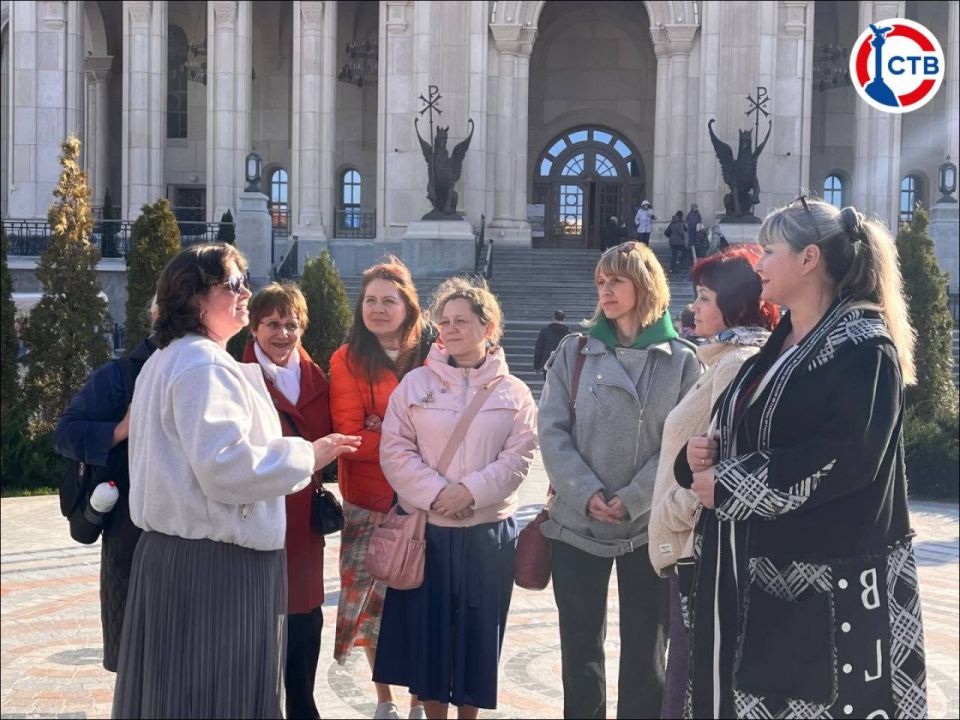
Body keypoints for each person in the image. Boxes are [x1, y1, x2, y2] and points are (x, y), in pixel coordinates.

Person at [676, 199, 926, 719]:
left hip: (825, 596)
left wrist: (731, 485)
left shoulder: (863, 347)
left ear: (809, 258)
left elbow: (846, 458)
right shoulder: (781, 343)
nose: (758, 265)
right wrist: (698, 456)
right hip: (755, 582)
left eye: (769, 252)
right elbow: (743, 432)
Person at [111, 244, 361, 719]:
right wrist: (310, 454)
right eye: (233, 284)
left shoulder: (171, 358)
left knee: (178, 697)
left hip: (179, 558)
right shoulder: (201, 365)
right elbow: (227, 468)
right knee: (213, 697)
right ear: (196, 297)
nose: (246, 291)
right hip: (214, 566)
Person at [538, 241, 701, 719]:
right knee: (581, 655)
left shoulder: (683, 361)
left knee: (647, 659)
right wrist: (587, 493)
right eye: (601, 283)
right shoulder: (576, 350)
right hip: (575, 526)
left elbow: (682, 446)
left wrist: (630, 499)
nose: (605, 291)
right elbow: (551, 431)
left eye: (616, 281)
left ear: (645, 285)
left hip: (648, 530)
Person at [375, 276, 538, 720]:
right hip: (430, 532)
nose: (449, 328)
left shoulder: (514, 393)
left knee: (478, 636)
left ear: (488, 328)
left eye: (461, 321)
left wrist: (471, 492)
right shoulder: (414, 385)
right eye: (443, 321)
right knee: (431, 637)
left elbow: (518, 457)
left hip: (488, 536)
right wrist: (437, 495)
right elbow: (395, 450)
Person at [647, 246, 779, 719]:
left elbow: (723, 463)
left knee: (691, 693)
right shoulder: (722, 358)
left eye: (704, 297)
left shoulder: (737, 363)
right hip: (693, 551)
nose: (693, 308)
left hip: (699, 554)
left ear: (737, 305)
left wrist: (673, 510)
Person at [329, 257, 433, 720]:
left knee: (419, 601)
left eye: (388, 300)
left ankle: (418, 700)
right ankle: (385, 700)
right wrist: (410, 438)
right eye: (370, 300)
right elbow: (350, 437)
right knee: (374, 605)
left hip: (425, 502)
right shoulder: (347, 359)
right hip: (369, 501)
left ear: (408, 306)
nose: (377, 309)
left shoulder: (435, 353)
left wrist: (384, 428)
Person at [53, 298, 159, 673]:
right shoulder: (118, 378)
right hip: (129, 543)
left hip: (191, 549)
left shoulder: (212, 372)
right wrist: (118, 430)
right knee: (137, 668)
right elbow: (65, 434)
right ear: (156, 315)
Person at [242, 283, 331, 720]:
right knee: (253, 614)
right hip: (252, 513)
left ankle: (302, 703)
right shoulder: (235, 373)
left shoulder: (317, 378)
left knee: (305, 611)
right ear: (254, 327)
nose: (282, 334)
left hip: (303, 520)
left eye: (291, 324)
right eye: (272, 324)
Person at [533, 310, 570, 378]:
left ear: (553, 318)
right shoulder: (568, 334)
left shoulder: (545, 331)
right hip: (562, 363)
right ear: (564, 319)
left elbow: (538, 348)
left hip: (547, 362)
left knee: (548, 384)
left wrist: (536, 366)